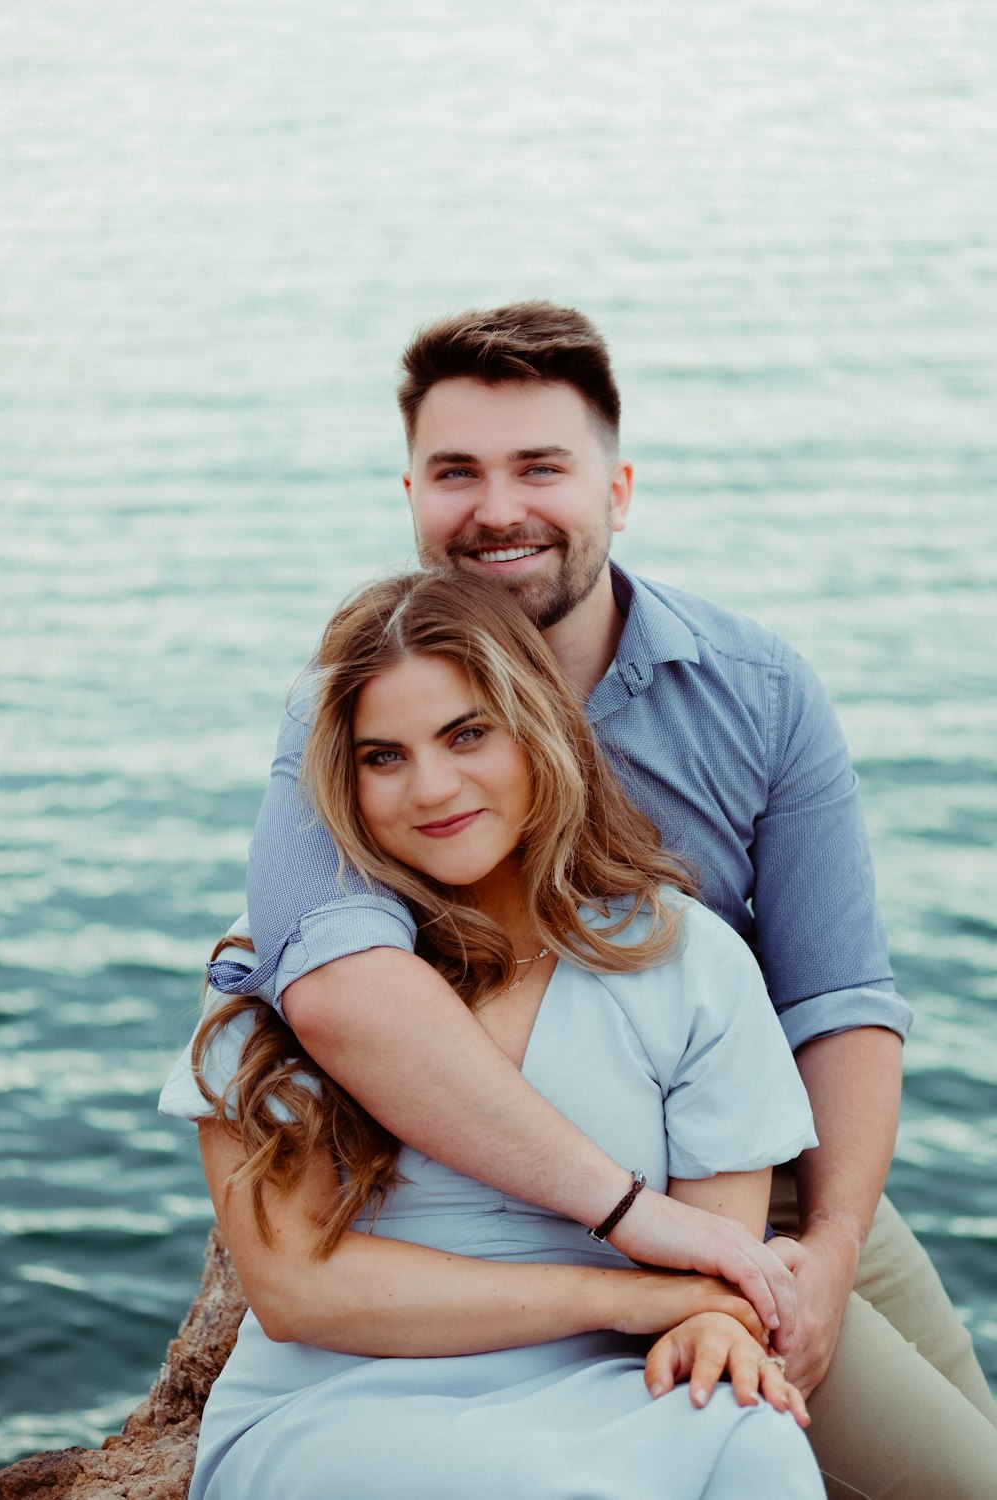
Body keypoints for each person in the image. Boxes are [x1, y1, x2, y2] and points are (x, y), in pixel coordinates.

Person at [206, 303, 997, 1497]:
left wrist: (821, 1253)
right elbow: (331, 983)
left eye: (541, 467)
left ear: (616, 489)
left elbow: (837, 999)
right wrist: (643, 1232)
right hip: (570, 1204)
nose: (497, 508)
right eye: (455, 471)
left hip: (761, 1164)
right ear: (411, 494)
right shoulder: (348, 710)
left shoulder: (759, 690)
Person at [161, 571, 825, 1500]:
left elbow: (716, 1271)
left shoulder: (688, 960)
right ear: (338, 781)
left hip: (614, 1383)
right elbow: (298, 1290)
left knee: (759, 1453)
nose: (431, 789)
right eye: (381, 757)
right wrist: (638, 1297)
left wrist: (708, 1326)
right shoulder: (282, 970)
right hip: (343, 1400)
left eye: (467, 734)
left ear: (539, 731)